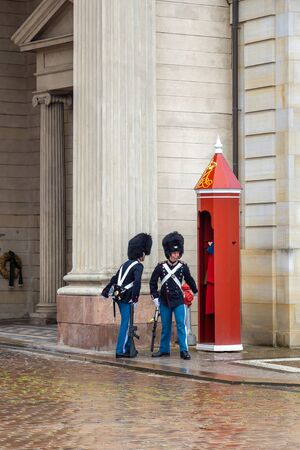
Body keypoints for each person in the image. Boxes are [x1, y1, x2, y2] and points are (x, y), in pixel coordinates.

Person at [101, 233, 152, 358]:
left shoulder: (125, 264)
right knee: (126, 322)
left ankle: (129, 347)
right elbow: (137, 283)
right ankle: (121, 350)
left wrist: (106, 291)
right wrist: (135, 298)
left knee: (128, 322)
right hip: (127, 297)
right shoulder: (138, 266)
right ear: (142, 253)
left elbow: (115, 278)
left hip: (119, 297)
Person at [149, 231, 198, 360]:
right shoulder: (160, 267)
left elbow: (190, 279)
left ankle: (184, 350)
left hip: (178, 300)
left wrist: (195, 291)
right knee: (166, 326)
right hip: (164, 300)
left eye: (178, 252)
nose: (177, 254)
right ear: (169, 253)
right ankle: (164, 349)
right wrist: (155, 297)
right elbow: (152, 282)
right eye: (174, 252)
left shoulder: (183, 267)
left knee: (181, 325)